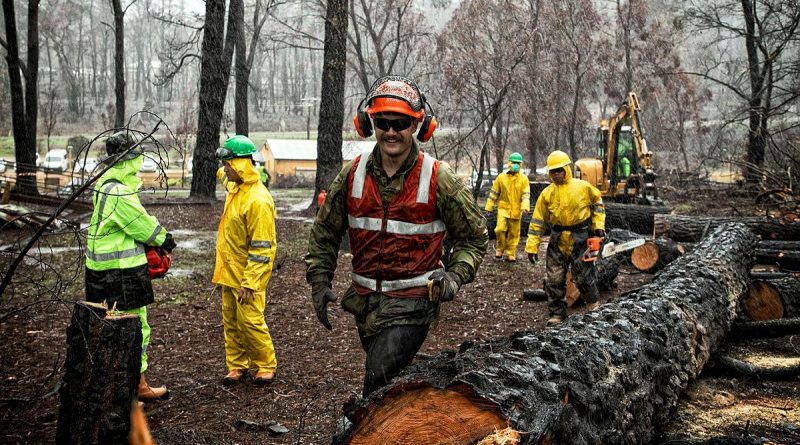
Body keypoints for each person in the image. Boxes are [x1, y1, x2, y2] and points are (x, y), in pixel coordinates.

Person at [305, 75, 488, 397]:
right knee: (390, 379)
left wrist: (456, 276)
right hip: (364, 304)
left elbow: (474, 236)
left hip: (413, 303)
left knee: (377, 379)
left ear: (419, 126)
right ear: (368, 123)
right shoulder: (353, 173)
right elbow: (325, 232)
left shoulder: (438, 178)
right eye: (383, 122)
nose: (391, 132)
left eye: (400, 123)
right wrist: (319, 281)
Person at [85, 131, 176, 401]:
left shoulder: (104, 184)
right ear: (130, 158)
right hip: (121, 273)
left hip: (101, 273)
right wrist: (164, 239)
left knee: (109, 326)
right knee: (136, 326)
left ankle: (112, 383)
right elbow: (141, 224)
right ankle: (137, 383)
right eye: (137, 155)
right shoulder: (120, 192)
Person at [212, 135, 279, 386]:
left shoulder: (258, 200)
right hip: (229, 272)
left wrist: (251, 282)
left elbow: (263, 248)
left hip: (247, 275)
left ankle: (265, 365)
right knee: (231, 320)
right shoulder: (235, 187)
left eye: (228, 165)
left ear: (240, 164)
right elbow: (222, 175)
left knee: (250, 321)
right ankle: (237, 365)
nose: (225, 170)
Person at [525, 150, 606, 326]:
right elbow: (537, 221)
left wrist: (598, 226)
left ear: (567, 169)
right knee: (554, 279)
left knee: (584, 276)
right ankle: (557, 313)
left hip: (581, 237)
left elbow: (598, 205)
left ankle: (593, 306)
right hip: (558, 239)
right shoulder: (547, 194)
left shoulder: (583, 187)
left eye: (559, 170)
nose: (556, 174)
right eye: (553, 171)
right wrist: (532, 246)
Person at [485, 152, 530, 262]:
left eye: (518, 163)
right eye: (513, 162)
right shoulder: (501, 177)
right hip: (503, 209)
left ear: (521, 165)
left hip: (516, 210)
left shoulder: (524, 179)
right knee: (500, 229)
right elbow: (494, 193)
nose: (515, 165)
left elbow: (526, 194)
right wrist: (489, 207)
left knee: (514, 233)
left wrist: (525, 207)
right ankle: (500, 248)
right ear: (509, 163)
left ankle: (511, 253)